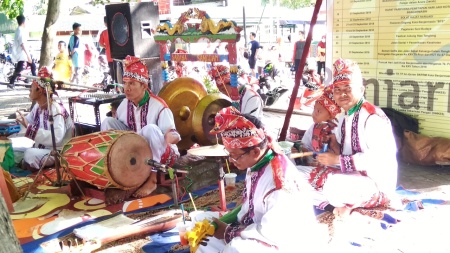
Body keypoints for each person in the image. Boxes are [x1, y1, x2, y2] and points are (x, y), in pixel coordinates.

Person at [196, 106, 322, 253]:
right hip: (256, 230)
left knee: (235, 248)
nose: (231, 161)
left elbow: (275, 233)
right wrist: (224, 225)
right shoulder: (257, 162)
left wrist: (228, 232)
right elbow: (250, 210)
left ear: (255, 151)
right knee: (201, 226)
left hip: (285, 243)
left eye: (235, 155)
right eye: (229, 154)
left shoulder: (278, 182)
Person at [316, 58, 398, 217]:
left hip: (377, 184)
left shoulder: (373, 117)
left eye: (347, 88)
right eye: (337, 90)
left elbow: (378, 159)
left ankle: (340, 205)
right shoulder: (343, 117)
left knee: (332, 185)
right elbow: (346, 152)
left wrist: (336, 160)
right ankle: (340, 205)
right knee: (301, 174)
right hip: (353, 177)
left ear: (361, 89)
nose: (342, 94)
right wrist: (334, 145)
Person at [101, 55, 181, 199]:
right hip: (136, 153)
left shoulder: (159, 105)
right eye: (125, 83)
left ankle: (152, 180)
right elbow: (120, 133)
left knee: (150, 129)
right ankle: (114, 170)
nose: (127, 88)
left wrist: (172, 136)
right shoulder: (124, 105)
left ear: (144, 85)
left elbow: (171, 133)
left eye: (132, 83)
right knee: (108, 122)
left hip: (163, 154)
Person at [15, 67, 74, 171]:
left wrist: (29, 128)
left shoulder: (56, 109)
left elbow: (57, 138)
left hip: (58, 152)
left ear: (40, 91)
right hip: (42, 150)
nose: (29, 91)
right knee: (14, 150)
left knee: (30, 154)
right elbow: (27, 121)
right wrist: (15, 124)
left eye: (31, 89)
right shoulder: (37, 107)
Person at [8, 15, 37, 90]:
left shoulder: (19, 30)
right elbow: (22, 44)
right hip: (22, 54)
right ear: (24, 22)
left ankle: (36, 82)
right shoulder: (20, 31)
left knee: (32, 66)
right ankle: (12, 82)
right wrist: (28, 56)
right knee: (20, 68)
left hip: (22, 53)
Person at [98, 16, 116, 83]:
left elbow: (100, 44)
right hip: (119, 55)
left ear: (105, 23)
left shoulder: (104, 33)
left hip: (109, 55)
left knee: (112, 70)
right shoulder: (116, 31)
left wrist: (106, 47)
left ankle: (115, 84)